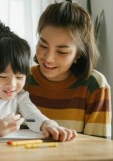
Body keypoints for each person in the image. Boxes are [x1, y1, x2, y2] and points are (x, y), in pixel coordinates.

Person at [0, 22, 77, 141]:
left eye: (19, 77)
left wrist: (48, 125)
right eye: (2, 76)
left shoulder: (19, 96)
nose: (12, 85)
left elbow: (31, 117)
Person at [24, 0, 111, 139]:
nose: (48, 58)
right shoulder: (22, 79)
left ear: (78, 53)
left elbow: (97, 148)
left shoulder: (94, 85)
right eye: (43, 45)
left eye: (62, 52)